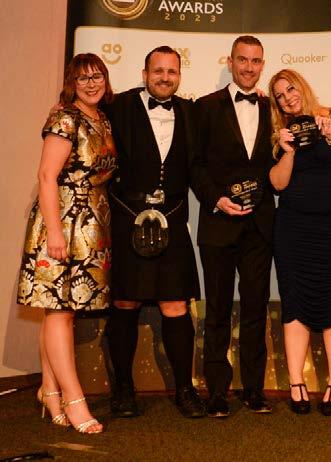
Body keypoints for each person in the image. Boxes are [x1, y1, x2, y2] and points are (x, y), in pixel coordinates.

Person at [17, 53, 117, 434]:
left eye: (97, 76)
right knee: (59, 311)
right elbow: (46, 176)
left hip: (92, 223)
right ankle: (75, 401)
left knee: (60, 310)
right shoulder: (64, 118)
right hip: (62, 222)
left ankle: (50, 391)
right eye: (83, 78)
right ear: (71, 83)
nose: (91, 84)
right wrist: (55, 232)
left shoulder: (102, 118)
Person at [104, 46, 204, 419]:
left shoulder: (191, 112)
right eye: (157, 71)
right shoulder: (118, 107)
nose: (165, 77)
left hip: (173, 219)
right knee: (125, 303)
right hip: (127, 218)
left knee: (176, 304)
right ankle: (123, 390)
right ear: (145, 74)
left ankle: (185, 390)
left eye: (171, 71)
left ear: (179, 75)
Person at [268, 69, 331, 416]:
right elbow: (277, 184)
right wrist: (288, 151)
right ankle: (297, 383)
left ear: (303, 87)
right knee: (294, 301)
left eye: (291, 89)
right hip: (294, 230)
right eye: (280, 95)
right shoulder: (278, 135)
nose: (288, 97)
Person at [192, 36, 275, 417]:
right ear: (230, 62)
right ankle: (216, 392)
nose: (248, 67)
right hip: (218, 223)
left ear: (263, 65)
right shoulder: (205, 107)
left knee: (256, 308)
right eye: (242, 59)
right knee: (218, 310)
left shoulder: (273, 108)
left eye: (255, 61)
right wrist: (216, 199)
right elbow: (195, 165)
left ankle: (254, 389)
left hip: (260, 226)